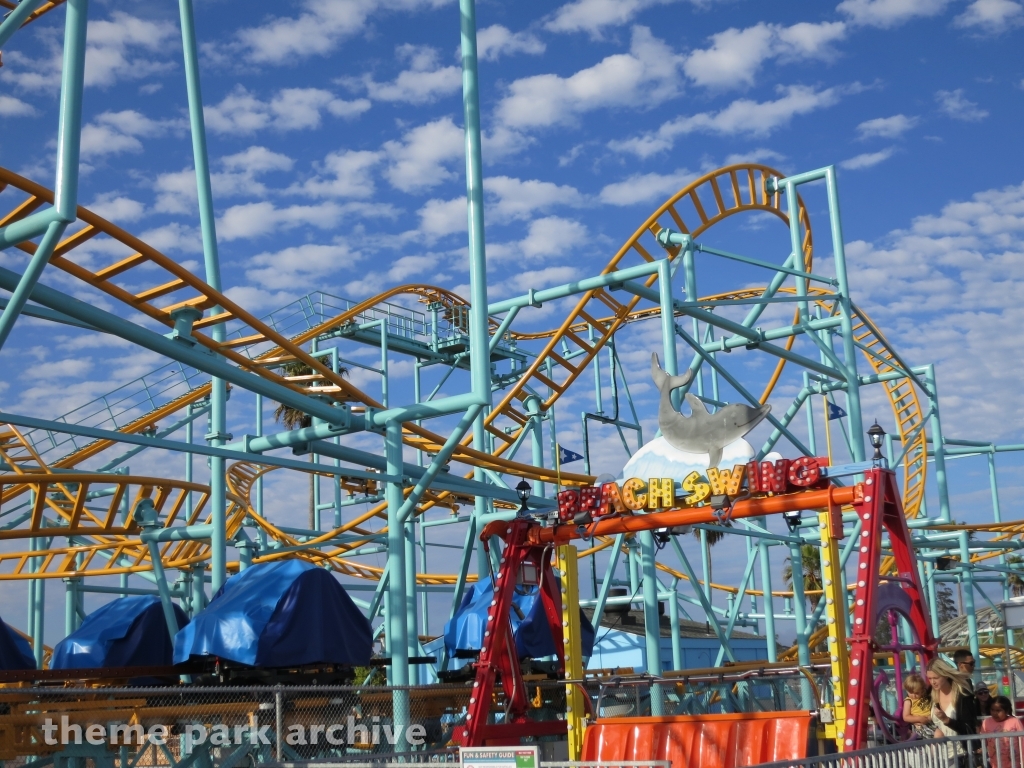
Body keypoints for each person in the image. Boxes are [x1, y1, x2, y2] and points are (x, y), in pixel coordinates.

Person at [928, 658, 979, 766]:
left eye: (936, 678)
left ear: (945, 675)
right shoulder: (932, 693)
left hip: (961, 753)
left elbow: (968, 726)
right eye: (929, 678)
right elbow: (935, 724)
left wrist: (947, 720)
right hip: (939, 755)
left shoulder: (962, 694)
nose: (932, 682)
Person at [981, 696, 1024, 767]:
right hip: (995, 763)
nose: (994, 713)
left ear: (1006, 711)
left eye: (998, 711)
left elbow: (1022, 741)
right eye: (992, 710)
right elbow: (983, 742)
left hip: (1014, 763)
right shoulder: (986, 722)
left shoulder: (1015, 721)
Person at [903, 672, 937, 739]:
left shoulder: (925, 695)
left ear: (922, 690)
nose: (914, 695)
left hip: (931, 720)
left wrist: (930, 717)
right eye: (911, 692)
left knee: (940, 733)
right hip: (921, 724)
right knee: (931, 736)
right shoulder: (908, 701)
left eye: (917, 693)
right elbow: (906, 717)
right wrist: (919, 719)